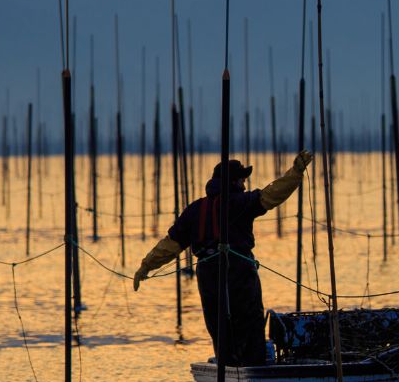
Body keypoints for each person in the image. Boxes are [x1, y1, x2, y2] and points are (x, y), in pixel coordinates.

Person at [133, 151, 313, 365]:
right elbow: (271, 195)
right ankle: (252, 367)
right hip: (238, 270)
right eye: (242, 181)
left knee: (217, 324)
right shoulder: (239, 202)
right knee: (249, 321)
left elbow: (170, 245)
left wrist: (146, 266)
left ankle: (226, 364)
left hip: (207, 273)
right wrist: (296, 173)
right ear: (234, 181)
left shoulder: (195, 209)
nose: (245, 186)